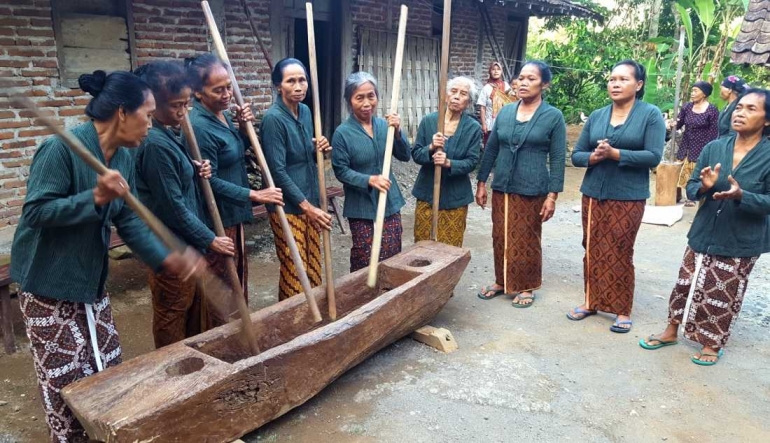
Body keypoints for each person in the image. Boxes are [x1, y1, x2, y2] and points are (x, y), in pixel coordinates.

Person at [11, 70, 200, 442]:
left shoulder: (124, 156)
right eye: (147, 114)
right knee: (65, 378)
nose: (150, 123)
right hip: (48, 281)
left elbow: (128, 218)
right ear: (122, 113)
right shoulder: (61, 148)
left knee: (105, 363)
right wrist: (94, 197)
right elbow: (36, 213)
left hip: (89, 277)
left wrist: (166, 258)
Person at [640, 89, 770, 365]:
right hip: (703, 231)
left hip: (740, 238)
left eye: (750, 109)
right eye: (738, 108)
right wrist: (704, 187)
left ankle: (712, 342)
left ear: (767, 119)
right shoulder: (715, 147)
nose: (740, 113)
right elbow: (691, 188)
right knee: (685, 283)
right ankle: (672, 329)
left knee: (723, 290)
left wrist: (741, 196)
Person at [133, 61, 228, 347]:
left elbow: (178, 183)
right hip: (170, 249)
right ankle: (169, 373)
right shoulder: (156, 146)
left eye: (186, 103)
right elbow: (173, 206)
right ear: (153, 104)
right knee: (172, 315)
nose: (183, 112)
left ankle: (193, 367)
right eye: (176, 105)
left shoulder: (172, 135)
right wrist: (210, 239)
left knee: (190, 312)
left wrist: (194, 168)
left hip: (186, 246)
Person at [568, 59, 665, 331]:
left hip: (628, 195)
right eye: (612, 79)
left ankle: (622, 309)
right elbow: (576, 155)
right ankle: (590, 301)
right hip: (593, 192)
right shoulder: (598, 115)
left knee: (620, 249)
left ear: (639, 84)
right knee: (592, 246)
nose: (615, 84)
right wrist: (595, 157)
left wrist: (616, 154)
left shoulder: (650, 114)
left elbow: (654, 156)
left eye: (623, 79)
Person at [187, 54, 284, 316]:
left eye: (229, 86)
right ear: (197, 92)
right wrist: (255, 194)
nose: (227, 94)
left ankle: (240, 332)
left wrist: (243, 127)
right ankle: (223, 338)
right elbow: (210, 182)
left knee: (237, 280)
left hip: (233, 215)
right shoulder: (199, 127)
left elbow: (237, 150)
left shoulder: (222, 116)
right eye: (218, 90)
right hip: (217, 218)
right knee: (223, 284)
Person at [475, 61, 566, 308]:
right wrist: (482, 182)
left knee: (527, 236)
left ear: (544, 84)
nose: (524, 83)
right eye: (522, 78)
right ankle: (501, 280)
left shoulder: (553, 116)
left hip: (532, 186)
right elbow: (492, 148)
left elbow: (557, 158)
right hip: (503, 184)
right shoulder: (505, 112)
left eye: (531, 79)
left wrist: (552, 196)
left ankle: (526, 286)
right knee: (500, 233)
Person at [260, 58, 331, 299]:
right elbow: (277, 171)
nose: (299, 86)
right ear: (279, 86)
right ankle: (292, 321)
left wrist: (319, 148)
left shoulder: (306, 111)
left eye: (302, 80)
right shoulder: (273, 119)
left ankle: (314, 319)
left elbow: (303, 155)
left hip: (309, 196)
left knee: (313, 263)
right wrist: (307, 207)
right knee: (295, 267)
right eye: (291, 81)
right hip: (289, 205)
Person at [331, 72, 411, 272]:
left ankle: (388, 298)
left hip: (390, 202)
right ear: (350, 101)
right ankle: (363, 300)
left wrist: (399, 132)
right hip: (361, 207)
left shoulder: (386, 126)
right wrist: (369, 180)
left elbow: (404, 155)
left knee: (392, 255)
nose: (367, 103)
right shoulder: (342, 133)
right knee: (364, 259)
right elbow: (341, 172)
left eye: (371, 96)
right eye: (359, 98)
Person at [411, 76, 482, 247]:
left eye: (463, 94)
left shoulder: (473, 128)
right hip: (427, 194)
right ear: (446, 95)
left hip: (455, 198)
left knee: (449, 251)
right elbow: (416, 154)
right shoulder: (429, 121)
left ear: (469, 101)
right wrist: (431, 147)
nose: (457, 96)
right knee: (422, 247)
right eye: (453, 91)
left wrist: (449, 163)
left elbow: (472, 162)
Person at [669, 81, 719, 206]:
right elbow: (679, 123)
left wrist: (708, 150)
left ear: (704, 94)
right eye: (692, 90)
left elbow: (713, 133)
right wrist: (673, 124)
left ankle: (691, 197)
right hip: (686, 144)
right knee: (679, 168)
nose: (692, 93)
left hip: (701, 146)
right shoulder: (687, 107)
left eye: (695, 91)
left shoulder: (712, 110)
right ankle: (677, 194)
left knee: (693, 171)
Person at [477, 61, 513, 145]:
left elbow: (512, 101)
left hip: (504, 122)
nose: (496, 71)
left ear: (501, 71)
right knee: (489, 146)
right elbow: (482, 108)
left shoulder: (506, 85)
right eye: (493, 69)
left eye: (498, 69)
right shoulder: (486, 88)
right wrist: (484, 124)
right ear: (490, 71)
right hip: (490, 123)